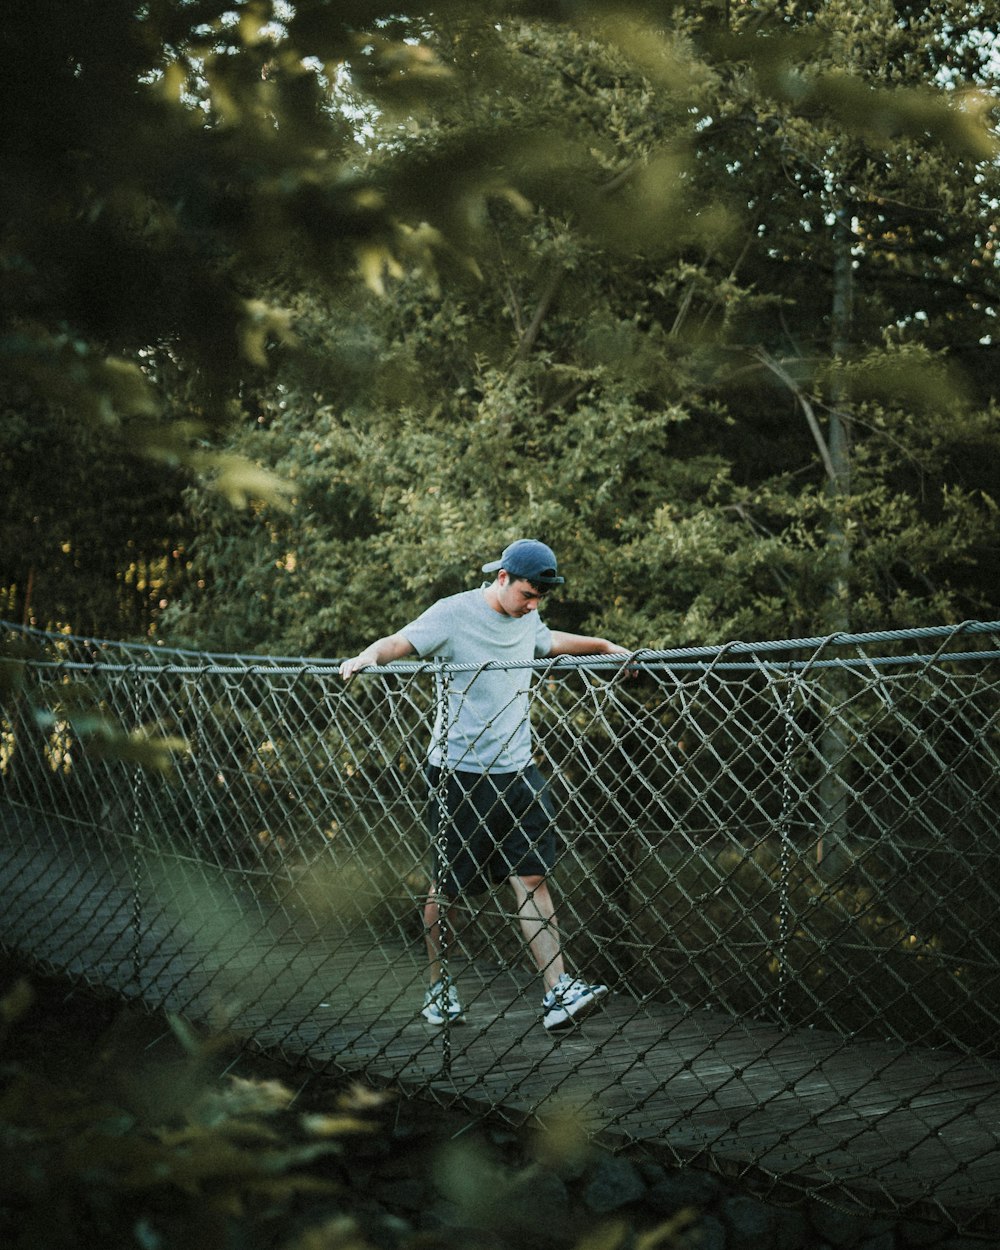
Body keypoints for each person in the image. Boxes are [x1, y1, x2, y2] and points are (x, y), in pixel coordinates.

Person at [339, 539, 632, 1032]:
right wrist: (366, 658)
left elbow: (548, 641)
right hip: (460, 773)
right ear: (502, 578)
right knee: (449, 889)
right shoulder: (452, 614)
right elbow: (398, 643)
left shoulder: (527, 618)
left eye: (541, 597)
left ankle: (558, 993)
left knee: (533, 876)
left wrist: (602, 646)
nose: (533, 605)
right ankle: (439, 986)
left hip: (519, 771)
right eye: (527, 593)